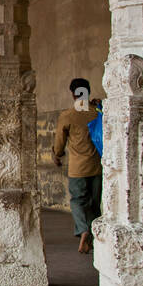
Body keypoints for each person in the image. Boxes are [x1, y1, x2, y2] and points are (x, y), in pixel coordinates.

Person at [53, 77, 102, 255]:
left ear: (73, 94)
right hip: (97, 166)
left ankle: (83, 230)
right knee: (95, 204)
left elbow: (59, 142)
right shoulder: (98, 111)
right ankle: (97, 238)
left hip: (77, 168)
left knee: (78, 201)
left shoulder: (68, 115)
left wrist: (57, 154)